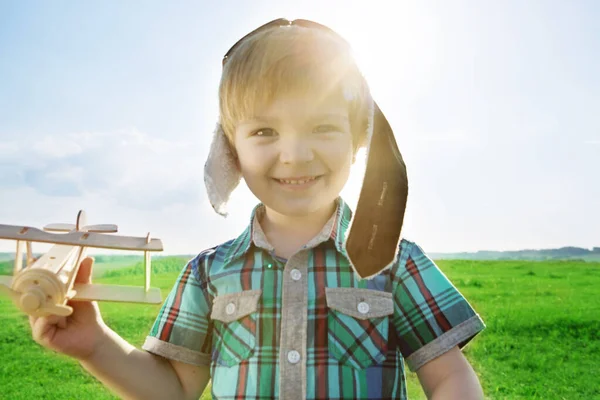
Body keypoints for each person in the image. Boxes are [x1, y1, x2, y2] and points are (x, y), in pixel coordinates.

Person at [29, 18, 486, 399]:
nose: (294, 154)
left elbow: (448, 375)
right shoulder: (208, 273)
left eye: (323, 127)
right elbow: (174, 388)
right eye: (265, 132)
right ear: (231, 152)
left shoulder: (396, 261)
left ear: (357, 139)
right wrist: (95, 346)